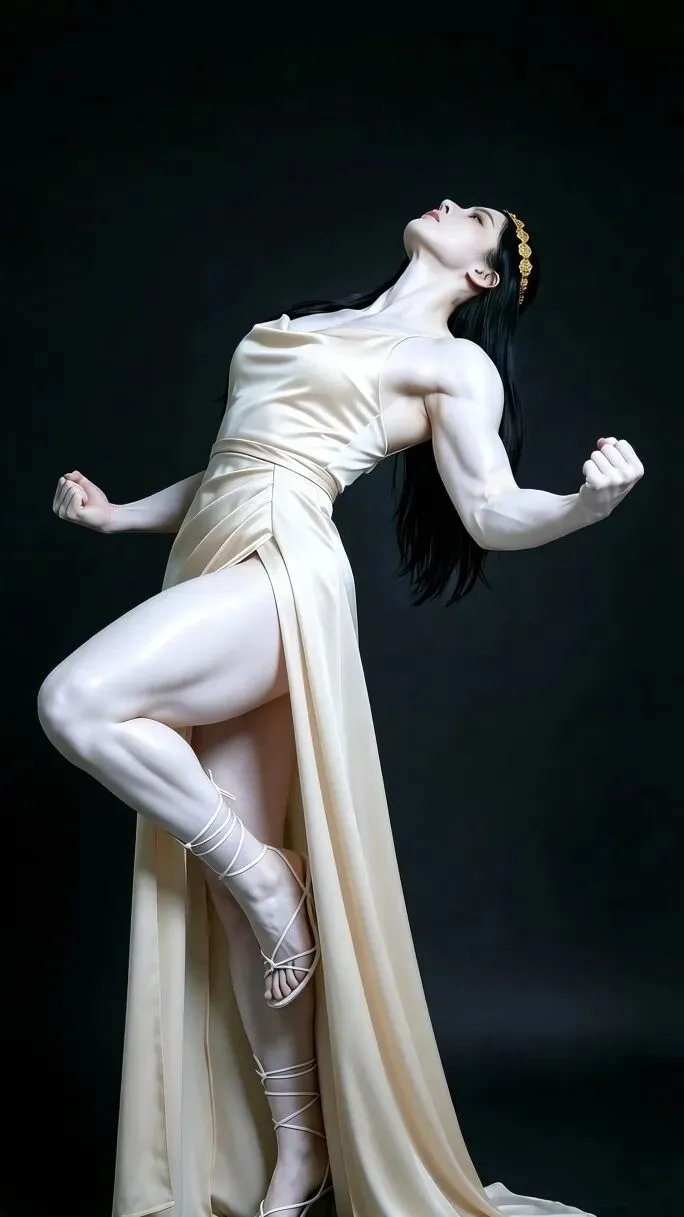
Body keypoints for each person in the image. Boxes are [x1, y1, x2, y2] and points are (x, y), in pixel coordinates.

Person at [38, 200, 643, 1217]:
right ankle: (299, 1152)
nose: (450, 204)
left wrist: (584, 505)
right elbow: (234, 461)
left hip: (282, 567)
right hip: (217, 553)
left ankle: (267, 874)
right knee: (231, 908)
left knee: (77, 701)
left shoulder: (454, 363)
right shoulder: (321, 321)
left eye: (476, 215)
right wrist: (117, 517)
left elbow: (490, 509)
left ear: (484, 275)